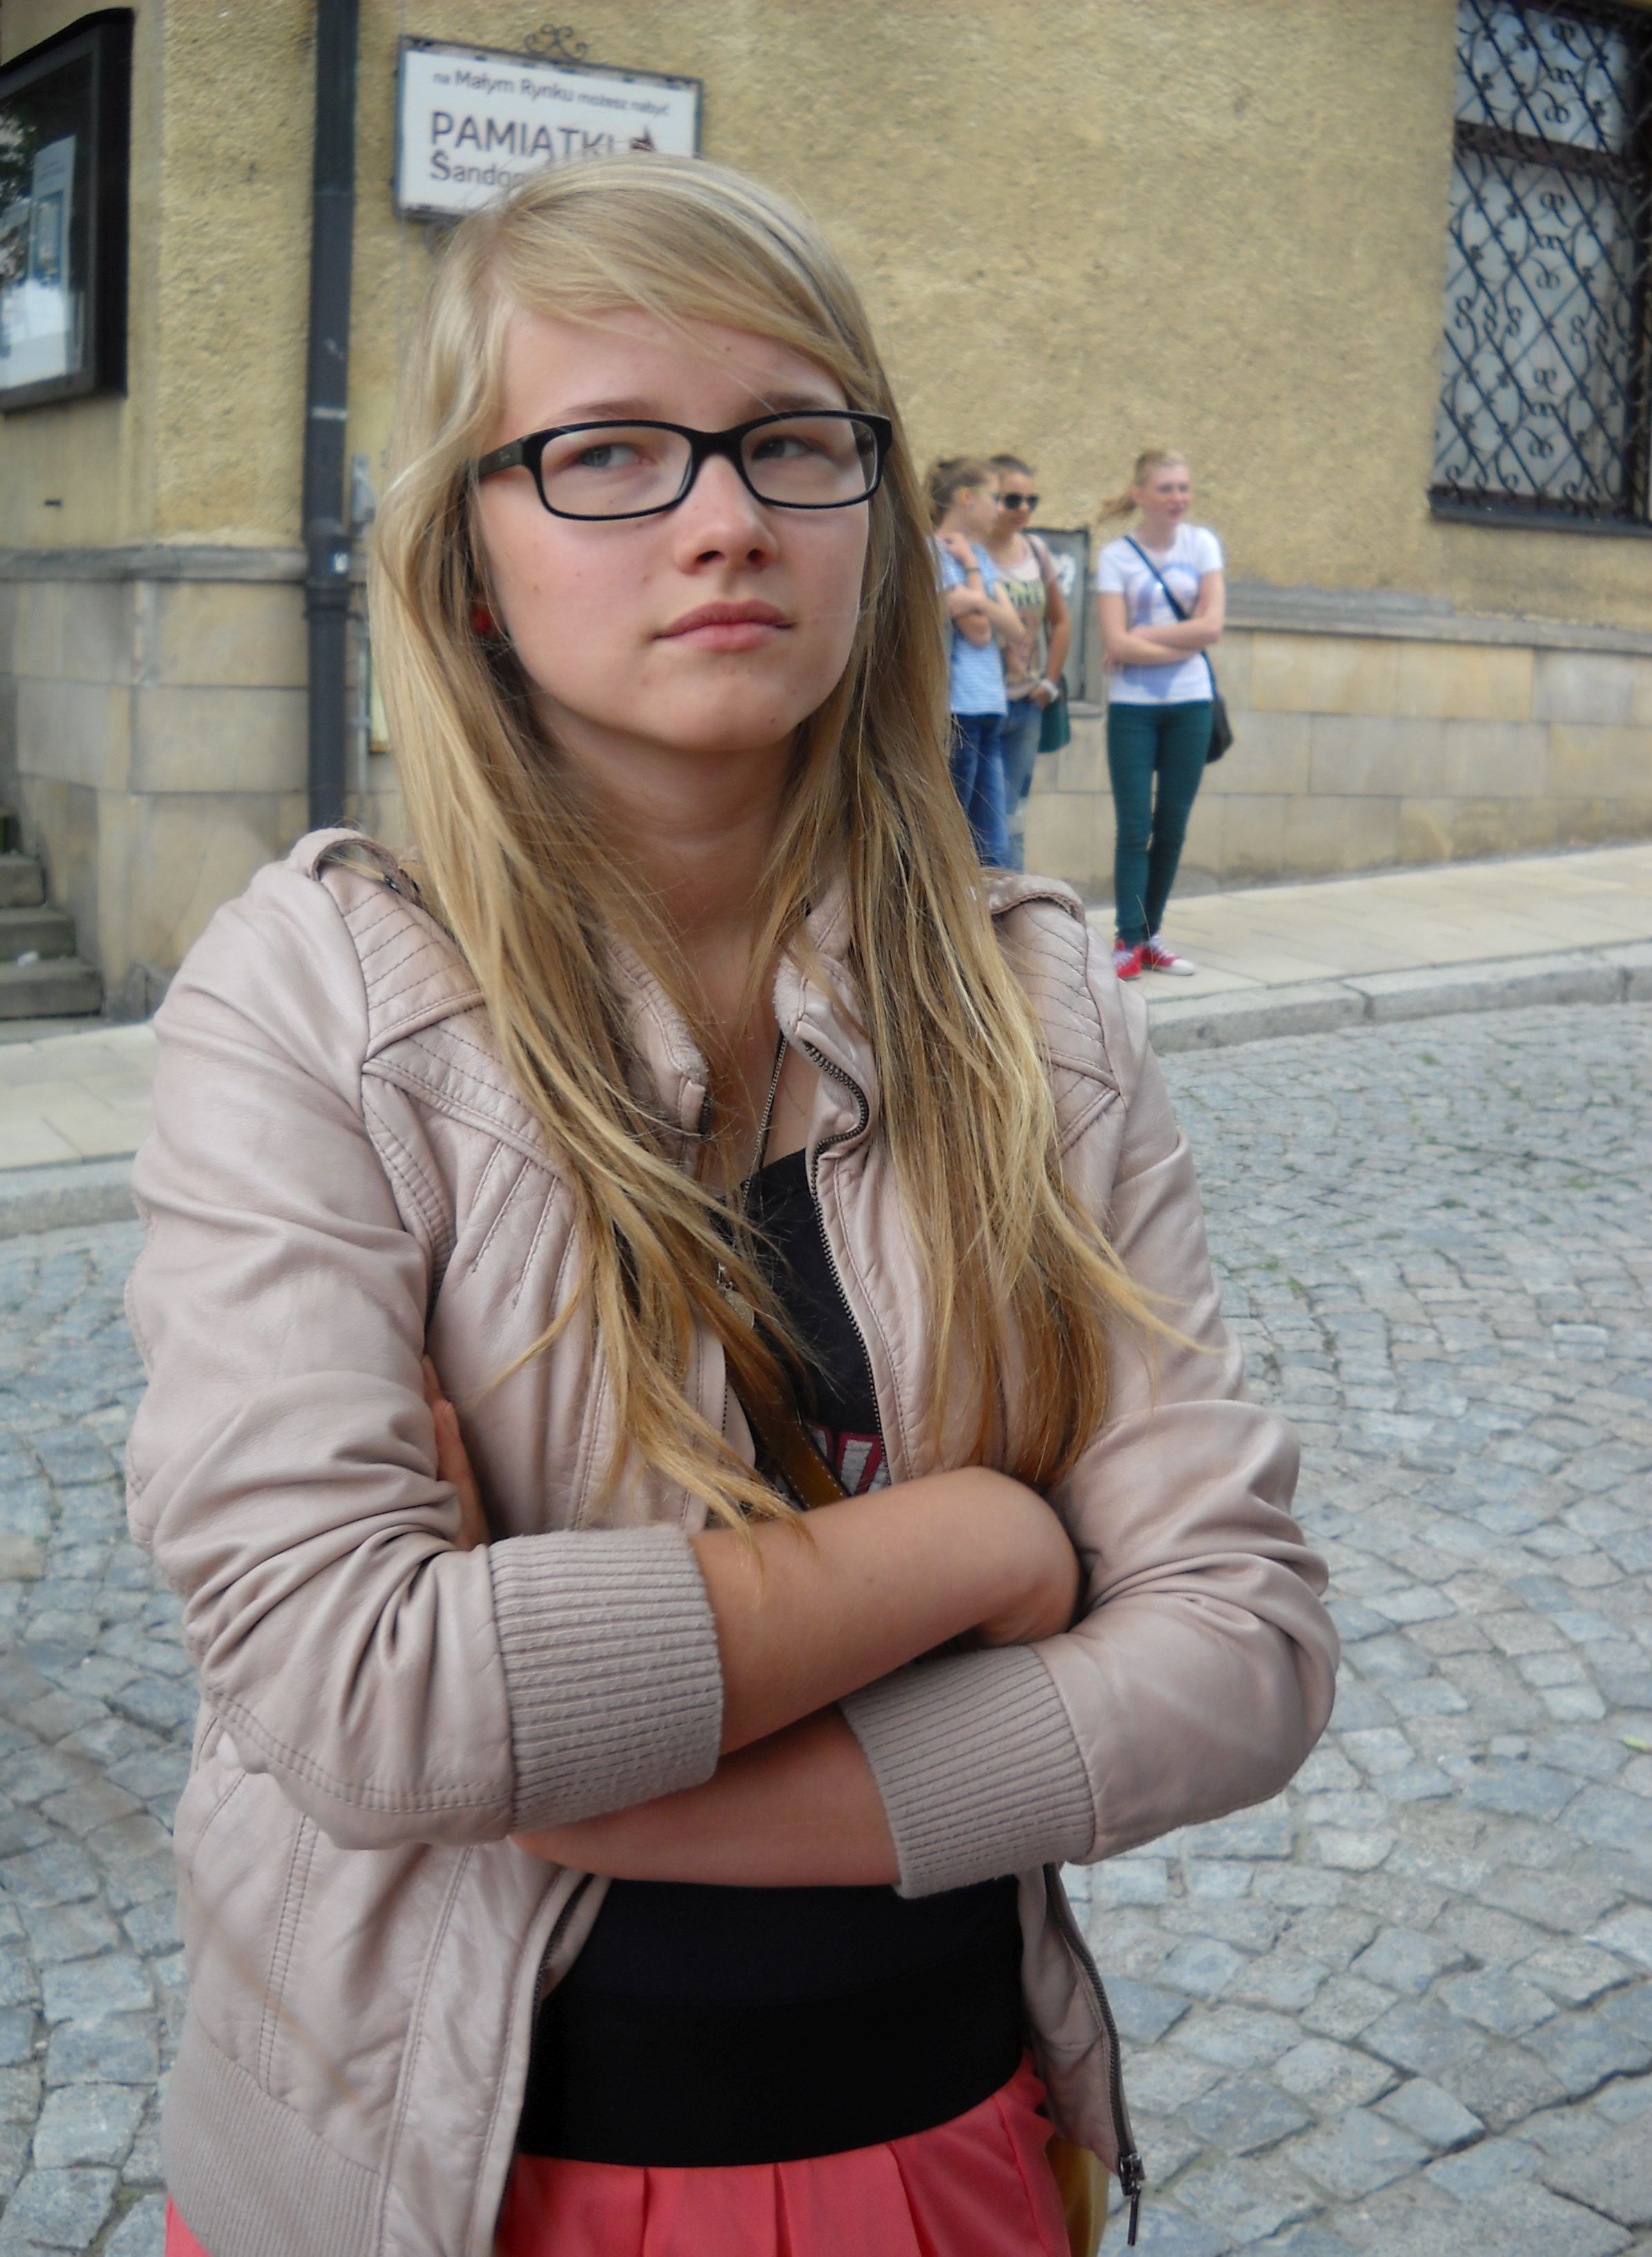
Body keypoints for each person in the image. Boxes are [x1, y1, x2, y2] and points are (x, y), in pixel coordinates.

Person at [129, 157, 1335, 2257]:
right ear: (471, 557)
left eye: (789, 440)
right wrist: (981, 1541)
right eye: (605, 450)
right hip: (445, 2189)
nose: (722, 519)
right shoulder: (317, 996)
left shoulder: (1036, 1002)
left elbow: (1241, 1647)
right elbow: (358, 1685)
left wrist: (601, 1776)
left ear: (873, 512)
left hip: (947, 2146)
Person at [1095, 449, 1225, 979]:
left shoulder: (1202, 545)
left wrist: (1144, 635)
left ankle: (1152, 935)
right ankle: (1128, 938)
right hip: (1134, 708)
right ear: (1141, 495)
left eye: (1184, 488)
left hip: (1192, 704)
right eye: (1167, 488)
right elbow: (1114, 641)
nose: (1178, 498)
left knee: (1171, 826)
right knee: (1134, 827)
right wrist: (1180, 640)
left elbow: (1213, 627)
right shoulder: (1116, 557)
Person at [929, 454, 1025, 865]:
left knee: (992, 847)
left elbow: (1016, 629)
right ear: (966, 497)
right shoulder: (932, 552)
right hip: (957, 711)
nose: (1001, 509)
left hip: (989, 708)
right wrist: (980, 591)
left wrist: (971, 573)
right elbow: (981, 632)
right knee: (956, 840)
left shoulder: (979, 557)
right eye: (994, 497)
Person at [983, 454, 1071, 871]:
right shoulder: (969, 553)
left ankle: (1013, 904)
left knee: (1013, 818)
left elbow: (1060, 620)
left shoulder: (1035, 550)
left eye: (1030, 500)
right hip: (979, 707)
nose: (1023, 509)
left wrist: (1049, 684)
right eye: (1012, 499)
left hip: (1025, 705)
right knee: (983, 821)